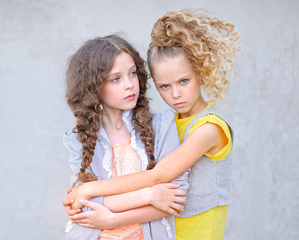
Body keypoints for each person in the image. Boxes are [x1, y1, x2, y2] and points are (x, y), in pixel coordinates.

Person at [67, 9, 241, 239]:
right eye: (164, 86)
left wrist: (88, 190)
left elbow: (158, 177)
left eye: (184, 81)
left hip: (199, 233)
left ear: (201, 72)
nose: (176, 94)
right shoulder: (165, 124)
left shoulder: (210, 129)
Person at [63, 34, 188, 240]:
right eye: (116, 78)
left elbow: (176, 198)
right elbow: (80, 205)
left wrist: (110, 214)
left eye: (132, 73)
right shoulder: (79, 139)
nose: (130, 84)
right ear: (93, 88)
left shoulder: (163, 127)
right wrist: (149, 195)